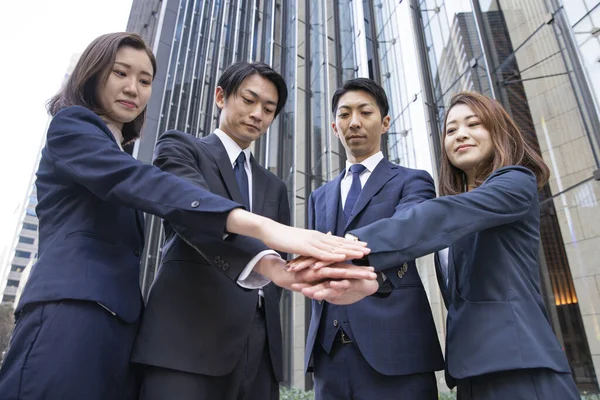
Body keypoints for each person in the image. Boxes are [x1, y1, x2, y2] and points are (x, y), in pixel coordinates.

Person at [0, 33, 373, 400]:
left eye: (145, 81)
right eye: (120, 73)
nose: (133, 88)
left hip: (185, 336)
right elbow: (168, 200)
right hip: (101, 318)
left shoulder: (271, 185)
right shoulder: (108, 135)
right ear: (220, 97)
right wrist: (263, 229)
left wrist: (319, 268)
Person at [293, 91, 580, 399]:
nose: (461, 135)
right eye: (451, 129)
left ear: (499, 130)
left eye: (474, 124)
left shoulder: (515, 182)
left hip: (520, 365)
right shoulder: (458, 206)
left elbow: (438, 217)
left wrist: (350, 246)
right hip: (471, 370)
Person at [133, 62, 292, 400]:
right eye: (249, 100)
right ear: (221, 96)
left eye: (268, 109)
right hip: (187, 340)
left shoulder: (275, 186)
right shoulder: (180, 148)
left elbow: (283, 261)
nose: (257, 114)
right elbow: (193, 219)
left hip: (259, 350)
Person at [300, 78, 443, 399]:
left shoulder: (413, 181)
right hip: (330, 358)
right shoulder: (318, 197)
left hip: (397, 352)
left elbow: (408, 230)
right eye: (344, 114)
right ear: (335, 128)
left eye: (365, 112)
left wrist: (341, 252)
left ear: (385, 122)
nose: (354, 122)